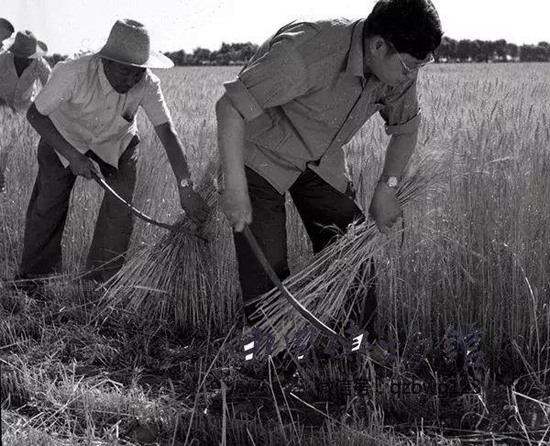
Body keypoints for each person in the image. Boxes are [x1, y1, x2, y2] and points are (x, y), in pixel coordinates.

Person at [216, 0, 442, 349]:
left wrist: (387, 187)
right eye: (410, 66)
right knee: (267, 271)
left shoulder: (397, 69)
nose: (412, 76)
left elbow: (406, 129)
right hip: (262, 155)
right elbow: (229, 106)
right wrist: (234, 188)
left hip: (321, 159)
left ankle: (356, 349)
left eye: (420, 66)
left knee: (351, 249)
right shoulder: (306, 50)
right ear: (378, 45)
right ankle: (273, 361)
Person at [16, 19, 209, 294]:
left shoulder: (147, 83)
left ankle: (98, 284)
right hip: (63, 136)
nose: (131, 81)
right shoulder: (73, 72)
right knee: (48, 205)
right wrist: (73, 156)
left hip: (117, 142)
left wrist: (185, 187)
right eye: (125, 72)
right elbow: (35, 114)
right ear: (106, 61)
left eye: (137, 73)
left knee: (120, 211)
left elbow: (167, 132)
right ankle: (34, 281)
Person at [0, 29, 51, 193]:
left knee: (10, 147)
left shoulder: (39, 63)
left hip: (23, 111)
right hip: (1, 106)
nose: (29, 61)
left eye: (31, 57)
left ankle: (2, 180)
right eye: (25, 57)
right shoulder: (2, 60)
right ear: (16, 53)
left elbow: (51, 86)